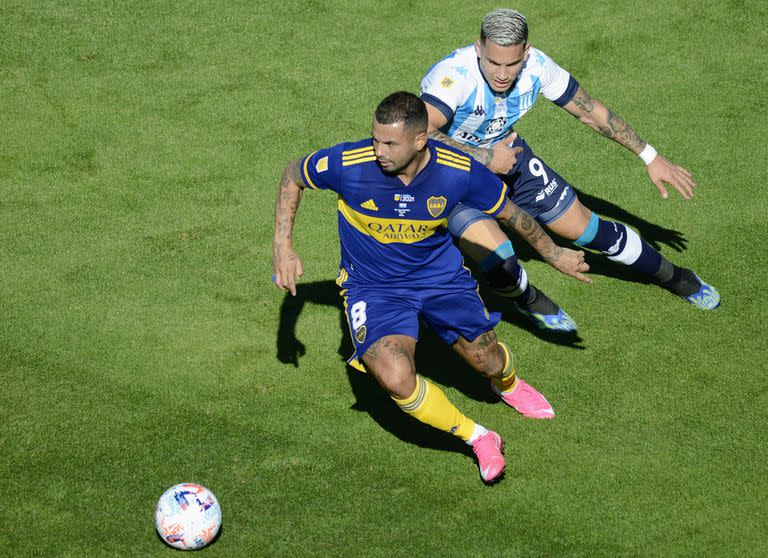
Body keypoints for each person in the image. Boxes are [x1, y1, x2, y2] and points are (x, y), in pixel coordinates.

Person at [273, 92, 590, 483]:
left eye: (389, 143)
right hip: (373, 289)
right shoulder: (349, 164)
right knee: (392, 374)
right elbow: (293, 174)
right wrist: (282, 246)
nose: (378, 150)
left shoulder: (458, 172)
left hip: (439, 279)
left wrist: (554, 253)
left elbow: (510, 213)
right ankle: (479, 437)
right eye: (375, 139)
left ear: (420, 140)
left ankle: (508, 384)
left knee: (487, 360)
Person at [419, 8, 720, 317]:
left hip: (509, 157)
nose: (502, 74)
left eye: (512, 63)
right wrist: (486, 158)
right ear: (478, 48)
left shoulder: (537, 67)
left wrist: (650, 156)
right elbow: (421, 134)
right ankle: (528, 299)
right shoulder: (454, 77)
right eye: (493, 62)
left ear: (526, 52)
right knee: (501, 261)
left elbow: (589, 111)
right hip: (451, 173)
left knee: (587, 229)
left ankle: (674, 276)